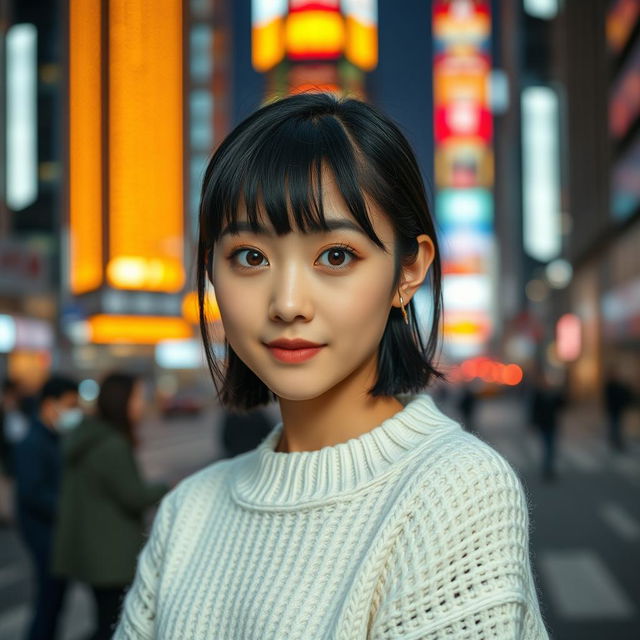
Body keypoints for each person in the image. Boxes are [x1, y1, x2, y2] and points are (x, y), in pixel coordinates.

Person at [114, 93, 550, 638]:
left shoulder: (454, 491)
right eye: (250, 257)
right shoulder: (186, 512)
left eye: (336, 256)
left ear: (408, 271)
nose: (288, 302)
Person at [53, 373, 169, 640]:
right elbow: (133, 495)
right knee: (116, 625)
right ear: (122, 401)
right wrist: (167, 488)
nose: (141, 404)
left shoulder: (89, 436)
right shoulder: (112, 444)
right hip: (112, 554)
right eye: (137, 397)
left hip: (95, 551)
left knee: (105, 620)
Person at [13, 375, 79, 640]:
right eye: (70, 405)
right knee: (49, 602)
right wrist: (69, 507)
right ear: (50, 405)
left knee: (54, 602)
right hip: (43, 533)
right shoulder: (32, 442)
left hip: (53, 531)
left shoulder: (53, 436)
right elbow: (32, 493)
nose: (75, 412)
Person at [529, 371, 565, 482]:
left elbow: (562, 405)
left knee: (551, 447)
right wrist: (533, 423)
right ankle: (547, 468)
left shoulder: (553, 394)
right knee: (547, 447)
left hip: (552, 424)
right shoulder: (538, 394)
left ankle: (549, 468)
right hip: (543, 425)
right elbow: (534, 410)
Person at [603, 370, 633, 452]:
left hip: (616, 409)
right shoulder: (610, 385)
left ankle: (615, 440)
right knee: (614, 425)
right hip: (614, 409)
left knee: (616, 425)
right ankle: (615, 440)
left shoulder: (614, 385)